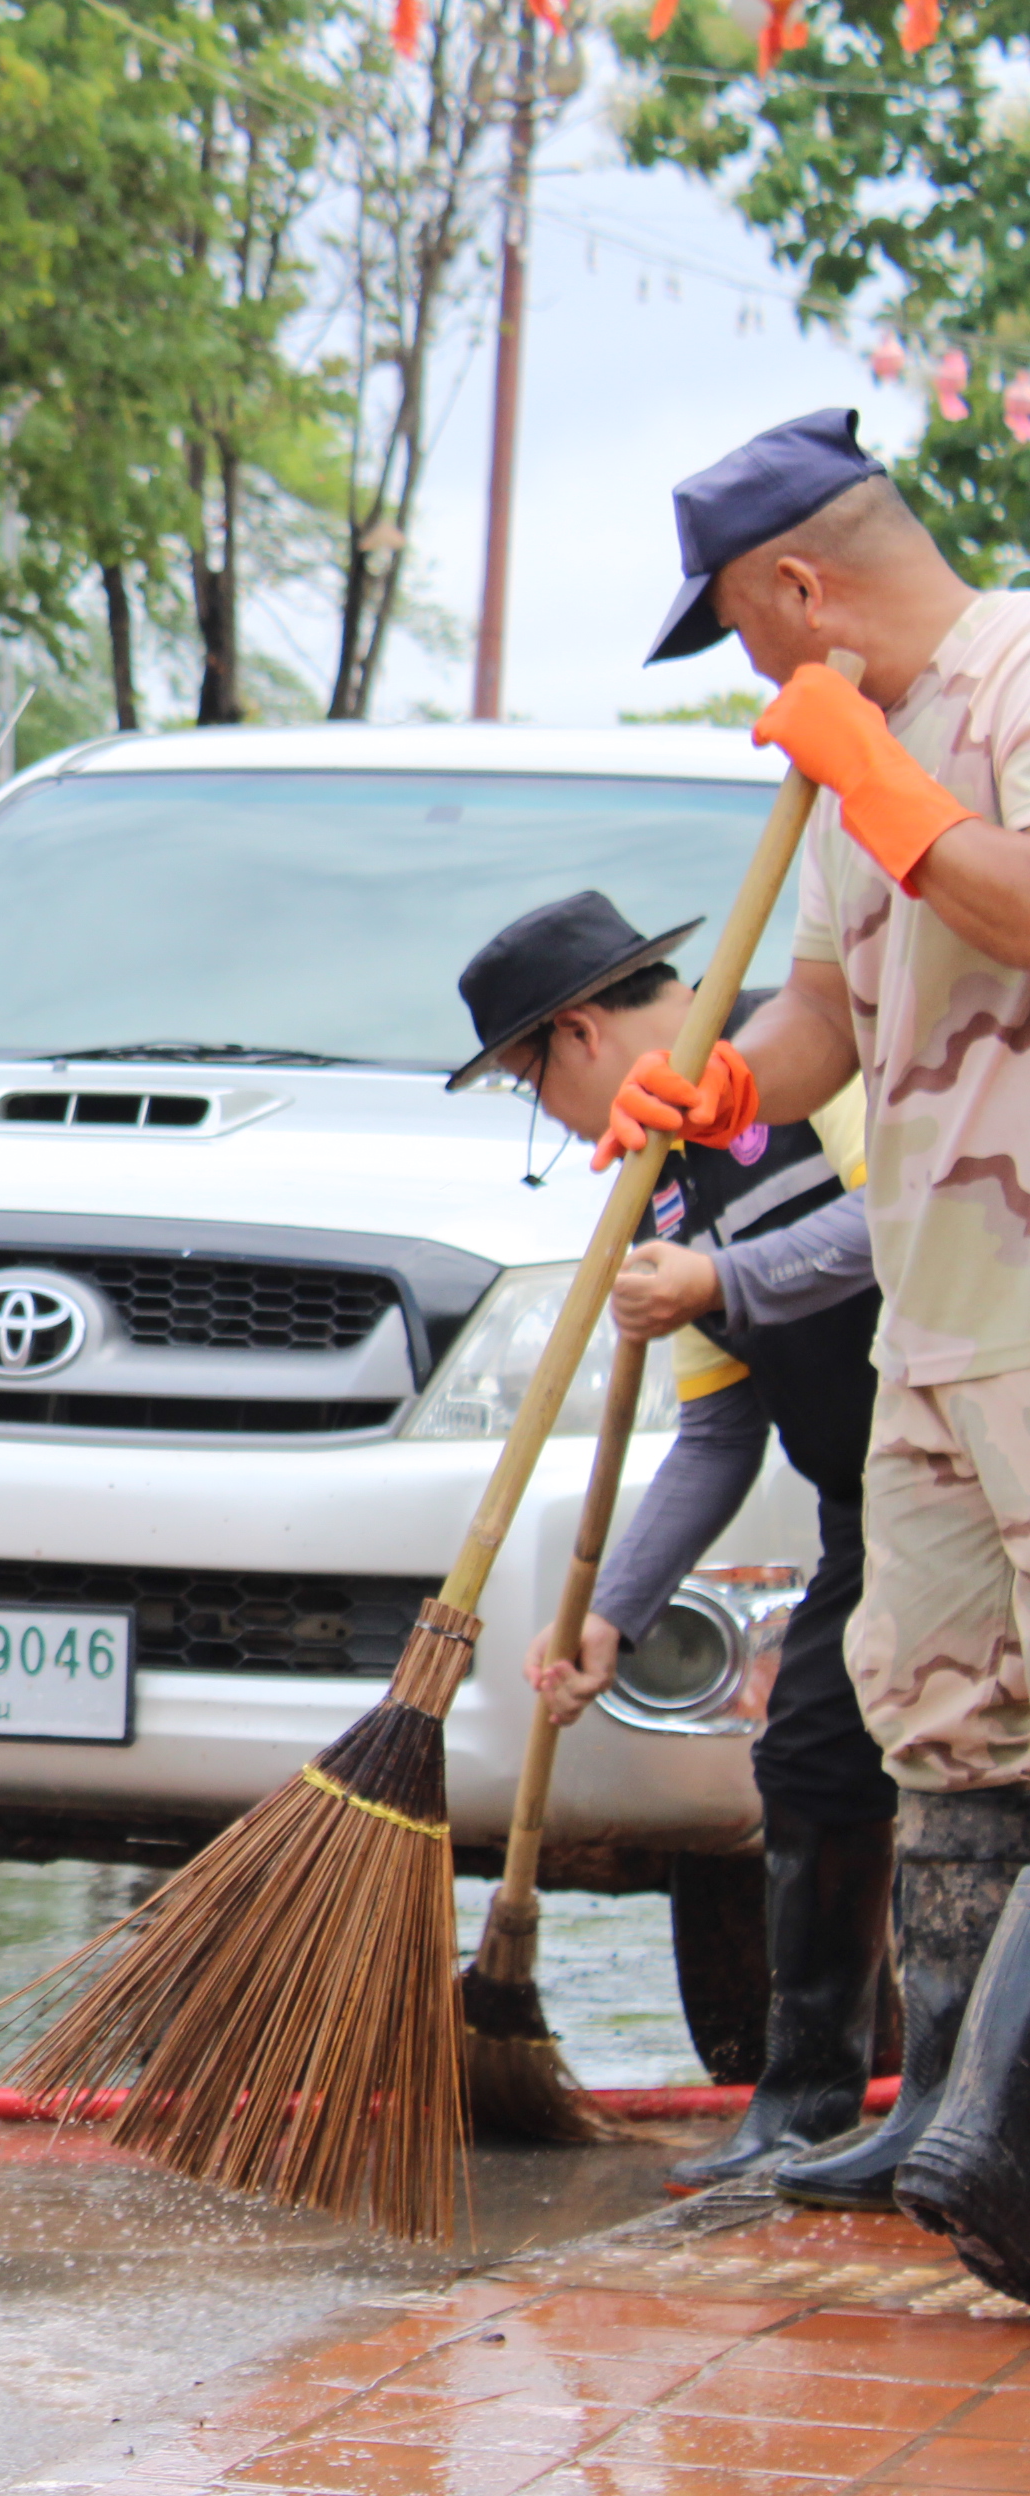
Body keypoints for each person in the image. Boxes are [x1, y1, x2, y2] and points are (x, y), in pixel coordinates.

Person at [607, 409, 1030, 2282]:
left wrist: (888, 787)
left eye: (746, 629)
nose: (757, 673)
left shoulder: (1011, 676)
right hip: (934, 1312)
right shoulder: (829, 769)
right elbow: (820, 1015)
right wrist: (711, 1091)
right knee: (939, 1716)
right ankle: (937, 2119)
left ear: (799, 584)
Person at [458, 890, 882, 2191]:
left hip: (983, 1455)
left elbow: (920, 1215)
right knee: (812, 1763)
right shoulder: (657, 1183)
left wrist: (725, 1280)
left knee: (975, 1784)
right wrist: (613, 1614)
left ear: (577, 1035)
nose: (555, 1126)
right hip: (870, 1506)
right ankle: (807, 2101)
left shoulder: (809, 1055)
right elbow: (717, 1430)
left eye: (535, 1089)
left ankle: (964, 2106)